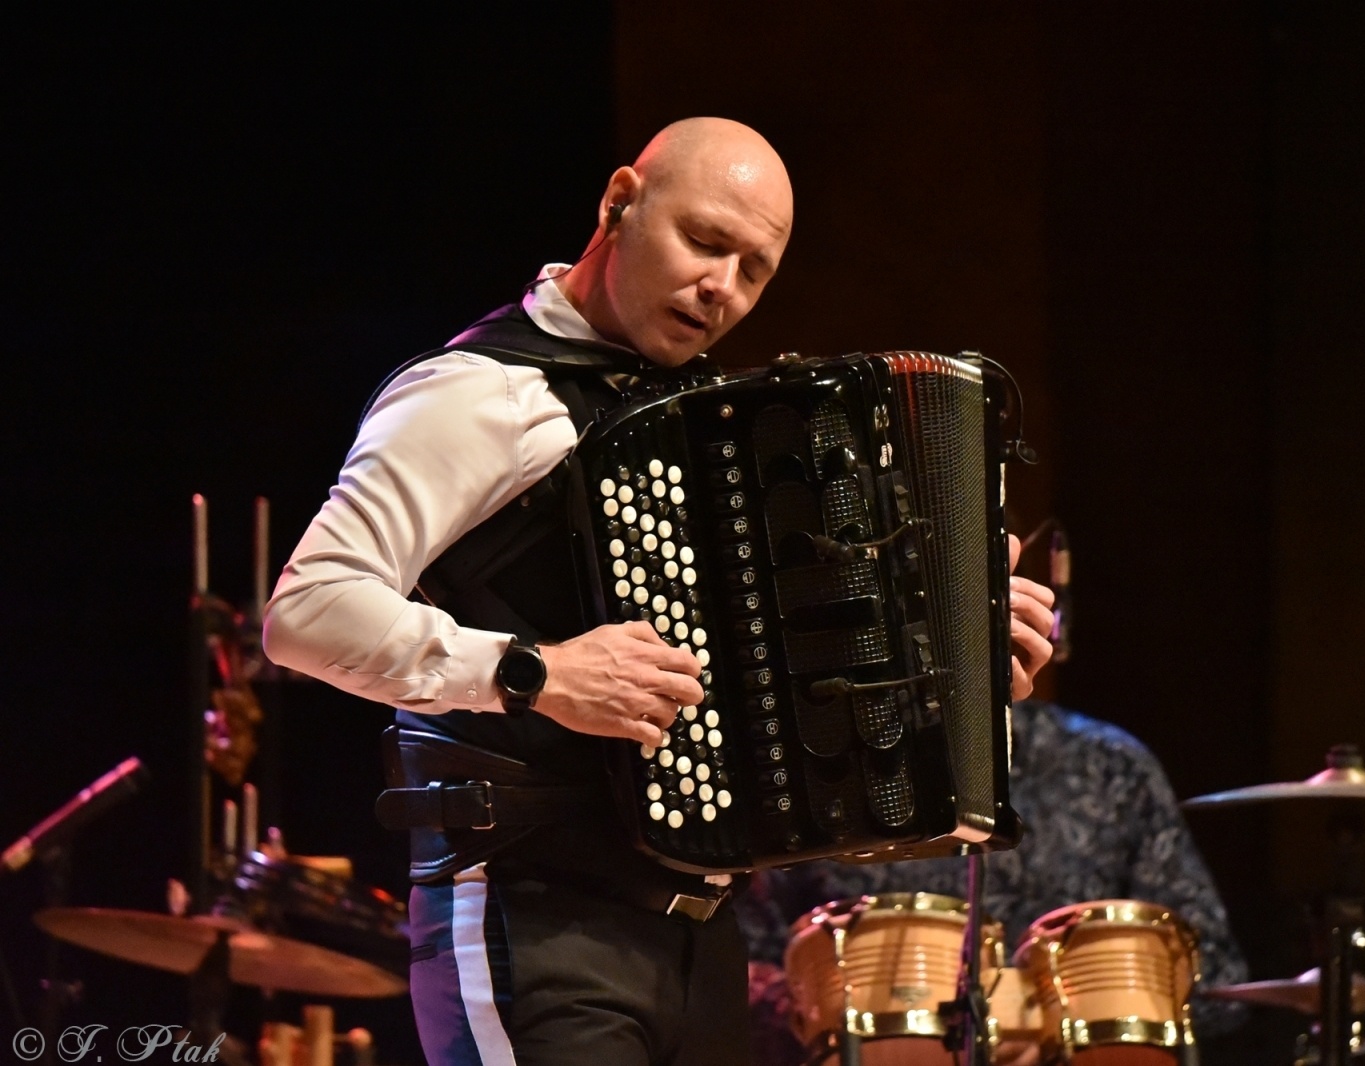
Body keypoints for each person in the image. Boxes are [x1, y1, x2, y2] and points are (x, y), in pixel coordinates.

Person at [262, 117, 1056, 1066]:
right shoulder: (480, 393)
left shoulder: (719, 428)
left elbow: (787, 697)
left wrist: (953, 667)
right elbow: (305, 610)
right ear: (618, 203)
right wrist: (533, 672)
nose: (722, 286)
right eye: (704, 242)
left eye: (754, 270)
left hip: (701, 938)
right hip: (531, 915)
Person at [738, 698, 1249, 1066]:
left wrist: (1051, 1017)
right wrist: (834, 1005)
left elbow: (1212, 978)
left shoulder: (1110, 767)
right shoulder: (808, 767)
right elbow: (736, 965)